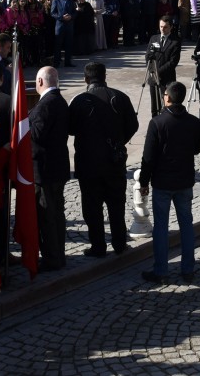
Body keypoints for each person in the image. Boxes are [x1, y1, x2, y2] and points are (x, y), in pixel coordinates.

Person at [67, 61, 138, 256]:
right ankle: (119, 243)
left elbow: (70, 129)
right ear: (105, 76)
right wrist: (119, 141)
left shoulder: (79, 100)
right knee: (116, 205)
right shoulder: (120, 97)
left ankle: (98, 246)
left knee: (92, 207)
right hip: (114, 161)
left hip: (88, 164)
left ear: (86, 79)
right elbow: (133, 124)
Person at [138, 81, 200, 284]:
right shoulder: (193, 122)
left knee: (161, 227)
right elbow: (197, 148)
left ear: (167, 97)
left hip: (163, 182)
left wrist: (143, 181)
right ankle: (188, 269)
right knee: (186, 225)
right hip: (184, 181)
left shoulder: (157, 123)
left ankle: (161, 271)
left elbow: (148, 156)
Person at [28, 66, 69, 271]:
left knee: (47, 216)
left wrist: (24, 122)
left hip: (45, 170)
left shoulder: (46, 104)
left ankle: (53, 258)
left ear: (41, 82)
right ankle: (58, 254)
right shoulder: (60, 101)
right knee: (57, 214)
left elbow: (36, 134)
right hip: (57, 167)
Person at [144, 15, 181, 118]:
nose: (162, 29)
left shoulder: (175, 41)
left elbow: (173, 62)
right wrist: (152, 69)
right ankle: (155, 125)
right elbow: (148, 55)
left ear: (171, 27)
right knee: (154, 105)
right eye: (161, 27)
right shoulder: (154, 38)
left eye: (165, 27)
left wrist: (158, 71)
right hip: (153, 77)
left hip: (167, 78)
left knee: (168, 104)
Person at [50, 0, 76, 68]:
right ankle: (56, 62)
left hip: (69, 25)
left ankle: (68, 62)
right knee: (58, 45)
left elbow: (75, 12)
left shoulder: (71, 1)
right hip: (60, 26)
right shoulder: (55, 1)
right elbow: (53, 13)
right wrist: (62, 17)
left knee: (69, 44)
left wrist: (71, 17)